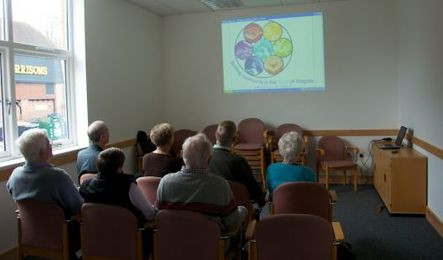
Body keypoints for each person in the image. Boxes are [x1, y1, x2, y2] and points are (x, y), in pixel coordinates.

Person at [157, 133, 247, 233]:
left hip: (172, 243)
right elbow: (231, 222)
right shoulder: (220, 185)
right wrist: (243, 211)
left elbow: (158, 214)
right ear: (209, 159)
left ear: (182, 155)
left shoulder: (165, 182)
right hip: (211, 246)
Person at [7, 128, 83, 217]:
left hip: (31, 229)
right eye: (49, 144)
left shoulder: (15, 175)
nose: (51, 145)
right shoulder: (58, 176)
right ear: (42, 153)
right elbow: (78, 206)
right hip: (61, 228)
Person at [80, 147, 155, 223]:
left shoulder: (85, 185)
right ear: (119, 168)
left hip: (95, 231)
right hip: (127, 231)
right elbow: (149, 214)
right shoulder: (128, 186)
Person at [209, 120, 265, 207]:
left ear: (216, 135)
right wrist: (261, 199)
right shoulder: (237, 161)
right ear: (235, 139)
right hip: (233, 204)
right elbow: (251, 187)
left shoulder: (205, 157)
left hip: (210, 202)